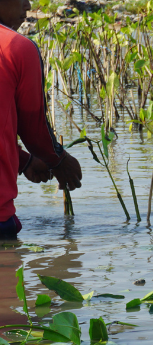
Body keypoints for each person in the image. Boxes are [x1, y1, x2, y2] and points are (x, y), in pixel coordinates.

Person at [0, 0, 82, 240]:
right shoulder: (16, 46)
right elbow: (33, 129)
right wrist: (58, 160)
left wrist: (24, 161)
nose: (27, 5)